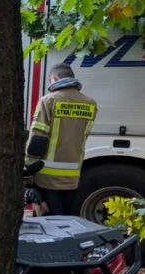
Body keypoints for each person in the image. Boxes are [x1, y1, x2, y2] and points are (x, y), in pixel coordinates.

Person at [25, 63, 97, 215]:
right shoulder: (90, 104)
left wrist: (29, 168)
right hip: (73, 177)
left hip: (47, 177)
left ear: (54, 78)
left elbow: (38, 139)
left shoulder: (48, 101)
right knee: (68, 218)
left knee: (49, 220)